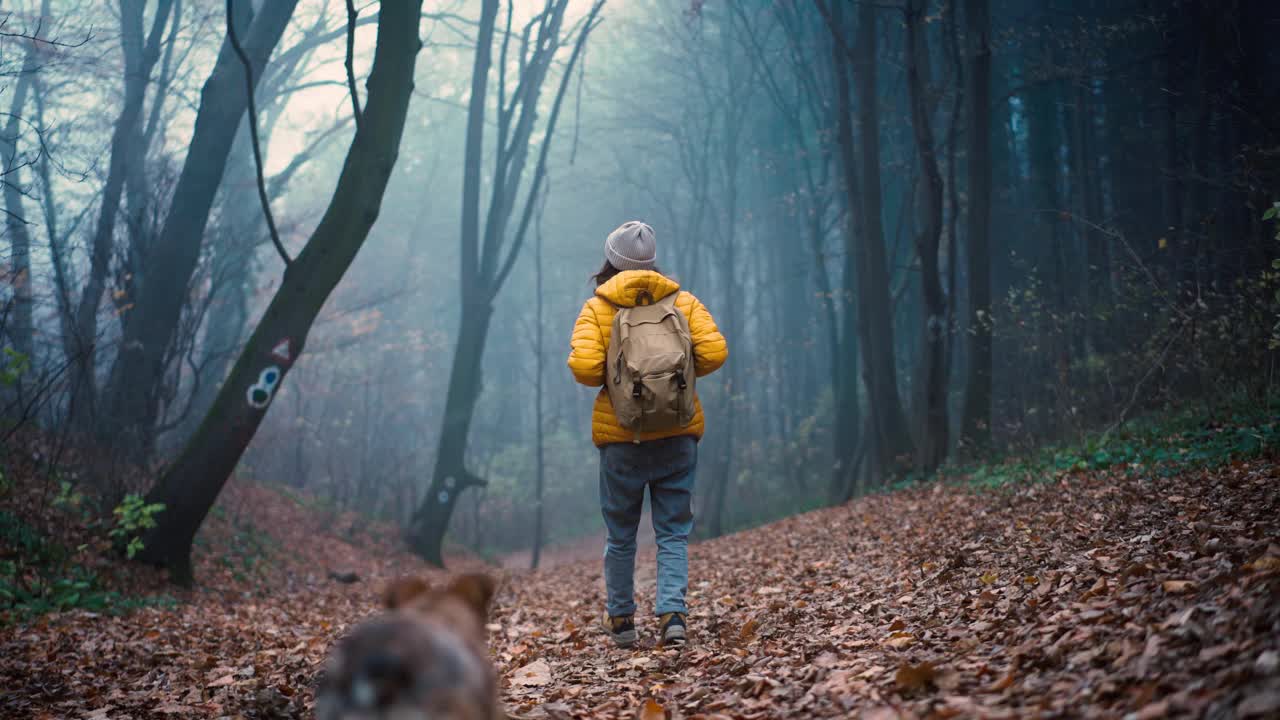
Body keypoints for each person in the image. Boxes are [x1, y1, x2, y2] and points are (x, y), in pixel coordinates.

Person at [567, 220, 727, 647]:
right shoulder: (682, 301)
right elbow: (714, 353)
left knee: (621, 534)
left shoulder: (598, 308)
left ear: (611, 262)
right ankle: (672, 615)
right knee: (672, 531)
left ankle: (621, 621)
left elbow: (584, 368)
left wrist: (619, 377)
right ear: (651, 262)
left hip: (622, 437)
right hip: (678, 432)